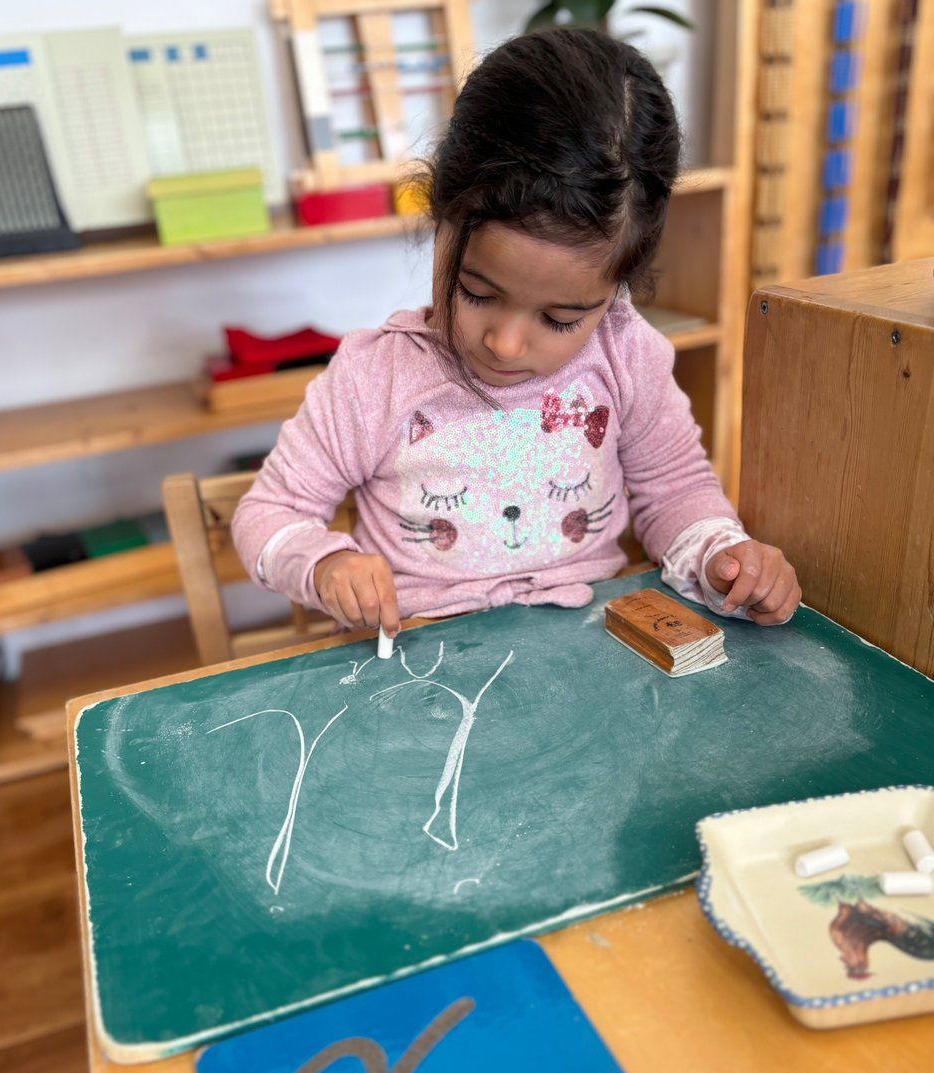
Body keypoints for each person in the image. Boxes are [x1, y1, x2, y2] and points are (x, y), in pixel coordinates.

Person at [232, 27, 800, 644]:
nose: (505, 344)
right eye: (477, 292)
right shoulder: (377, 377)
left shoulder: (625, 354)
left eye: (561, 320)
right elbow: (268, 514)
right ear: (439, 216)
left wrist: (722, 554)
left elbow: (676, 492)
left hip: (589, 650)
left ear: (618, 287)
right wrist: (325, 565)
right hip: (425, 663)